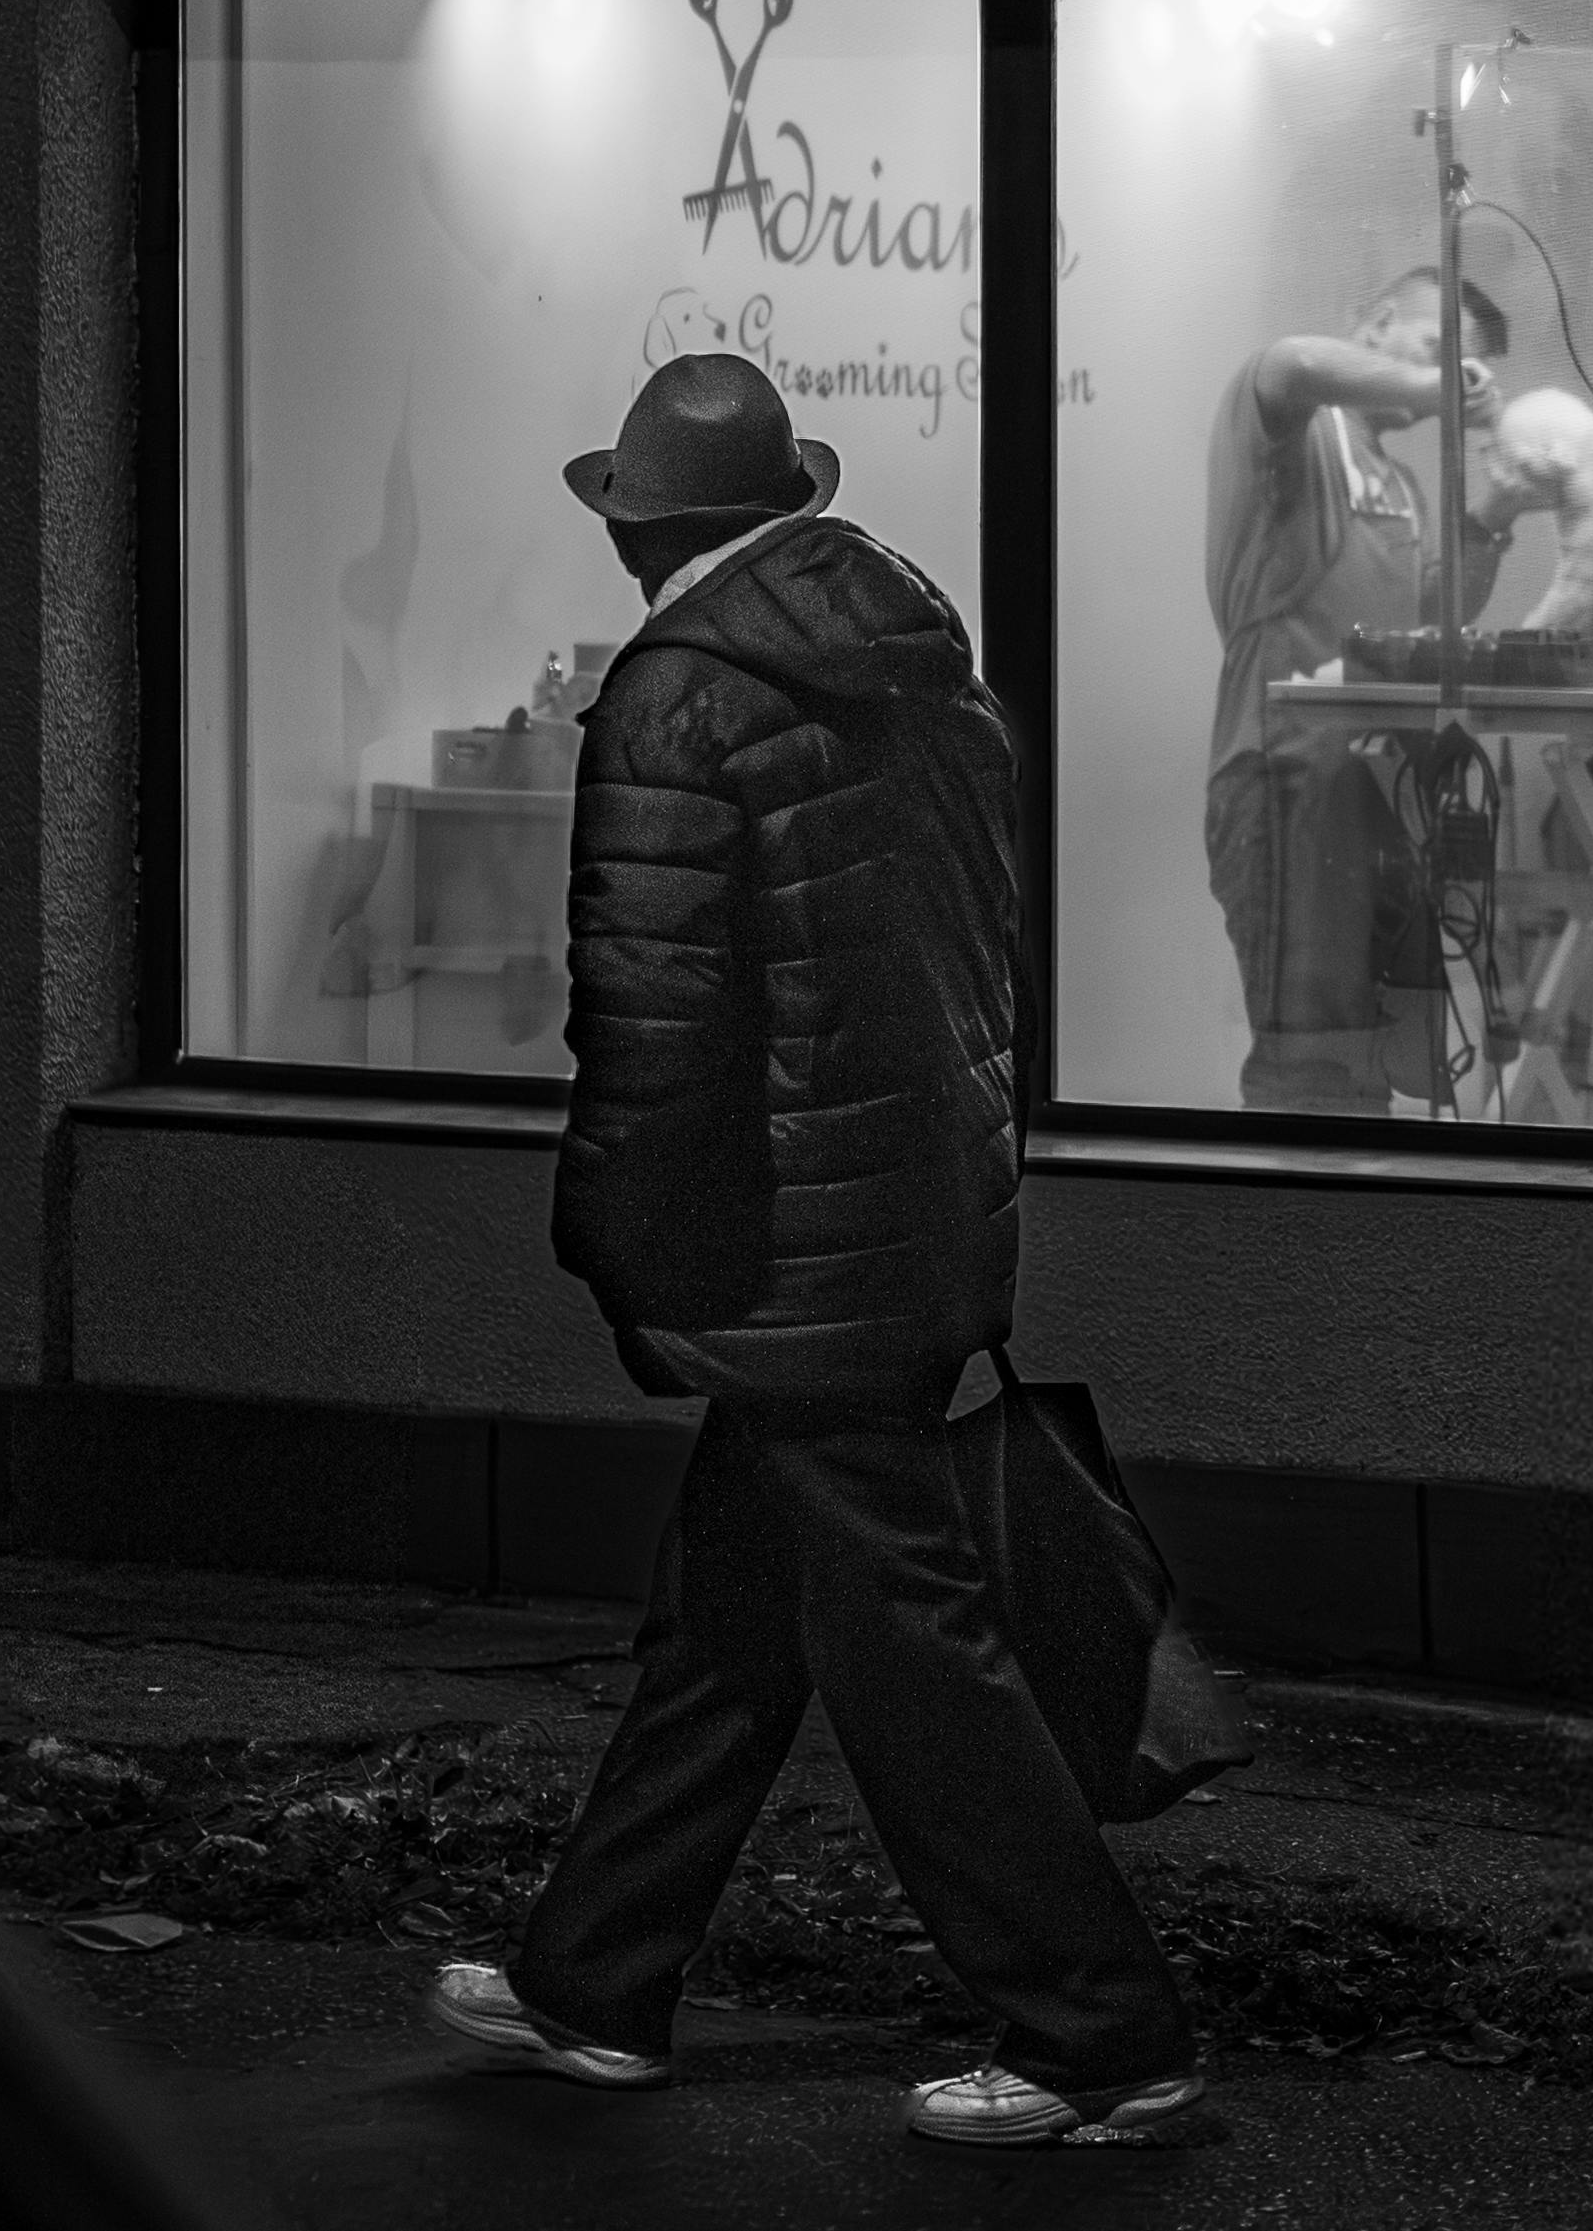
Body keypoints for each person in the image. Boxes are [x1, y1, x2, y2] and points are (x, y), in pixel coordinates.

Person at [427, 351, 1200, 2147]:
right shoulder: (919, 658)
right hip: (916, 1211)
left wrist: (614, 1239)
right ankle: (589, 1985)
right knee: (730, 1627)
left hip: (789, 1251)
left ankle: (1101, 2033)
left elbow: (652, 1017)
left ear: (643, 532)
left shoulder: (680, 696)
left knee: (913, 1645)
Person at [1204, 266, 1511, 1112]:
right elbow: (1293, 363)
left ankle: (1358, 1237)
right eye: (1439, 347)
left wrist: (1497, 507)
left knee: (1378, 1056)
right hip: (1283, 782)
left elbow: (1435, 619)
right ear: (1374, 324)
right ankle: (1291, 1241)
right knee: (1312, 1060)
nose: (1456, 377)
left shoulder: (1403, 489)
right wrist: (1436, 386)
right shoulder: (1294, 432)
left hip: (1375, 799)